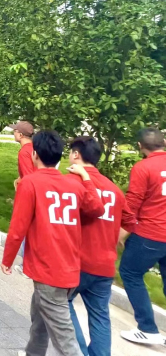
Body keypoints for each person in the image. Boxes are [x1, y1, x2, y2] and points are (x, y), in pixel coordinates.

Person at [1, 131, 103, 356]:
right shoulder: (72, 184)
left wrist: (7, 259)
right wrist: (86, 178)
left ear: (34, 154)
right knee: (39, 316)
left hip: (49, 269)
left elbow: (18, 228)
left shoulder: (31, 183)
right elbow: (97, 208)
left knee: (65, 341)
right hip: (69, 266)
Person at [67, 136, 134, 356]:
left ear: (76, 154)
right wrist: (114, 239)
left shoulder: (71, 183)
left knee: (60, 305)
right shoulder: (113, 189)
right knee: (100, 316)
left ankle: (79, 352)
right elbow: (130, 222)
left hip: (77, 261)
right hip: (105, 264)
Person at [119, 127, 166, 345]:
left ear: (140, 146)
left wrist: (122, 232)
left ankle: (147, 328)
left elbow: (132, 204)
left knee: (130, 272)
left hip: (150, 233)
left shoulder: (143, 167)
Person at [9, 120, 36, 276]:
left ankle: (27, 265)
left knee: (26, 228)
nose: (13, 133)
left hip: (30, 196)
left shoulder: (24, 152)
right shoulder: (34, 149)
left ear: (20, 134)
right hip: (39, 192)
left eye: (15, 131)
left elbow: (28, 178)